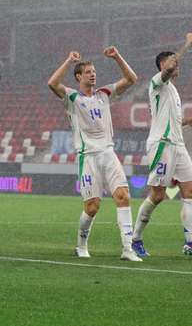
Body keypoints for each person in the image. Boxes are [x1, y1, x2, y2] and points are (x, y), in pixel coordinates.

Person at [47, 47, 141, 261]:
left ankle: (128, 248)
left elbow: (131, 78)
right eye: (88, 71)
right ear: (79, 76)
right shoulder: (72, 97)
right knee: (92, 207)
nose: (93, 74)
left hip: (108, 153)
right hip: (87, 157)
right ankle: (81, 244)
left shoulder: (104, 93)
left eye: (94, 71)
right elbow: (52, 83)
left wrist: (118, 56)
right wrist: (69, 61)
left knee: (123, 196)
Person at [131, 33, 192, 258]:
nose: (177, 64)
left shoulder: (173, 91)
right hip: (162, 146)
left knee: (190, 190)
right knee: (157, 195)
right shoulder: (157, 82)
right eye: (172, 61)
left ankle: (190, 242)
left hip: (178, 144)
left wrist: (186, 121)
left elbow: (169, 120)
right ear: (162, 65)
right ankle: (135, 238)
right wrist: (187, 44)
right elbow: (168, 69)